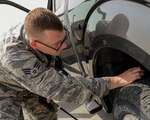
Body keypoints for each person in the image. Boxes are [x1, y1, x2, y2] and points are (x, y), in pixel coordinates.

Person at [0, 7, 143, 120]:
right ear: (34, 44)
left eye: (64, 38)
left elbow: (49, 65)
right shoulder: (14, 57)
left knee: (45, 115)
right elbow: (61, 88)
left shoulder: (44, 28)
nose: (64, 46)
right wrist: (114, 81)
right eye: (58, 44)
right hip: (4, 89)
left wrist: (45, 85)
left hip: (32, 78)